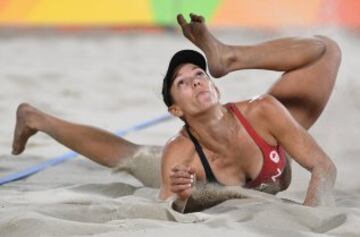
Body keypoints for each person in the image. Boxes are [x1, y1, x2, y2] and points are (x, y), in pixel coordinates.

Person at [11, 13, 341, 207]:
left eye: (200, 75)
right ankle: (35, 118)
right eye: (182, 83)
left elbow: (324, 168)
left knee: (328, 49)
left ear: (216, 87)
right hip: (200, 163)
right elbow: (169, 211)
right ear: (175, 110)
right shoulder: (180, 155)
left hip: (272, 143)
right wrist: (183, 196)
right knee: (133, 157)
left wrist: (311, 218)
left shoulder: (264, 113)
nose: (196, 81)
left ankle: (229, 57)